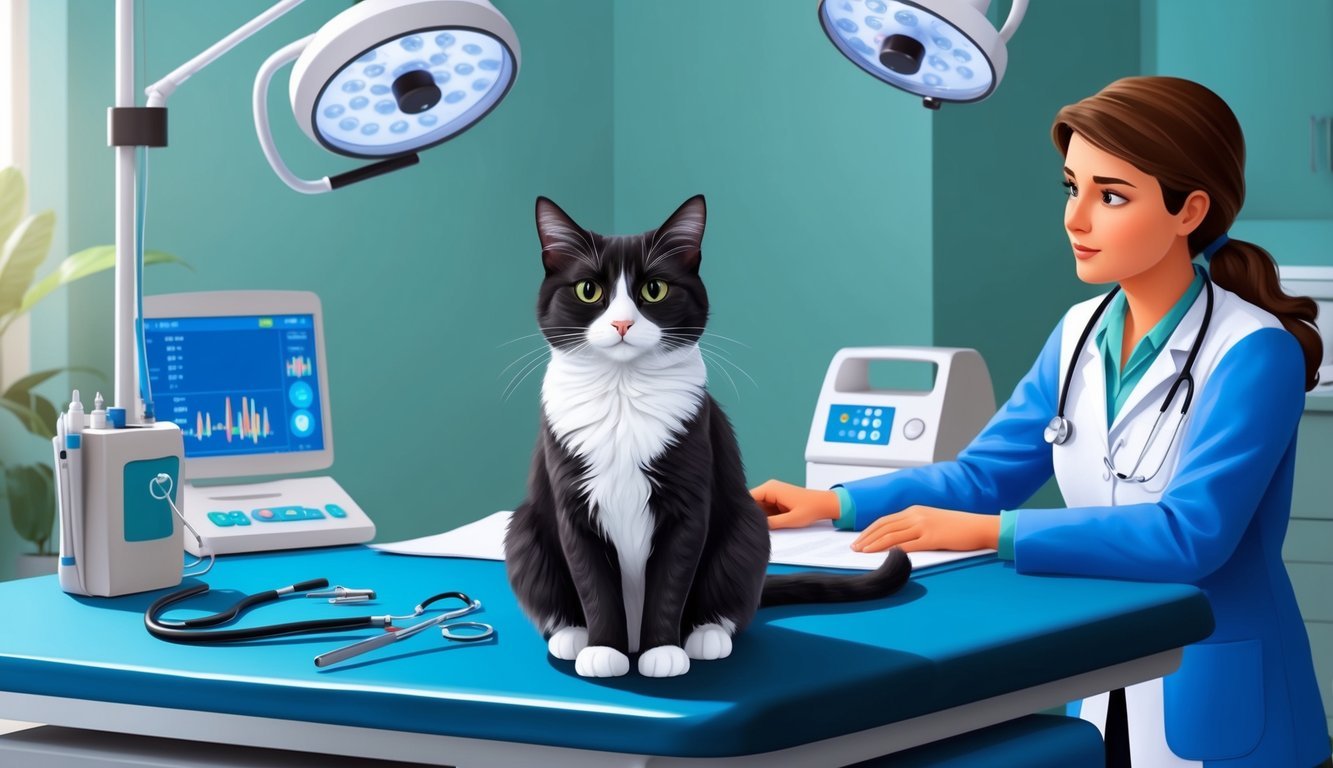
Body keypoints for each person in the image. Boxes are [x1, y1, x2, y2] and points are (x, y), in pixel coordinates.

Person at [752, 76, 1330, 768]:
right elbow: (983, 475)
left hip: (1222, 696)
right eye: (1071, 187)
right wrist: (835, 503)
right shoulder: (1079, 332)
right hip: (1107, 670)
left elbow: (1191, 535)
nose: (1075, 218)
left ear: (1188, 210)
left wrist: (993, 535)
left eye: (1110, 195)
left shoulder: (1252, 352)